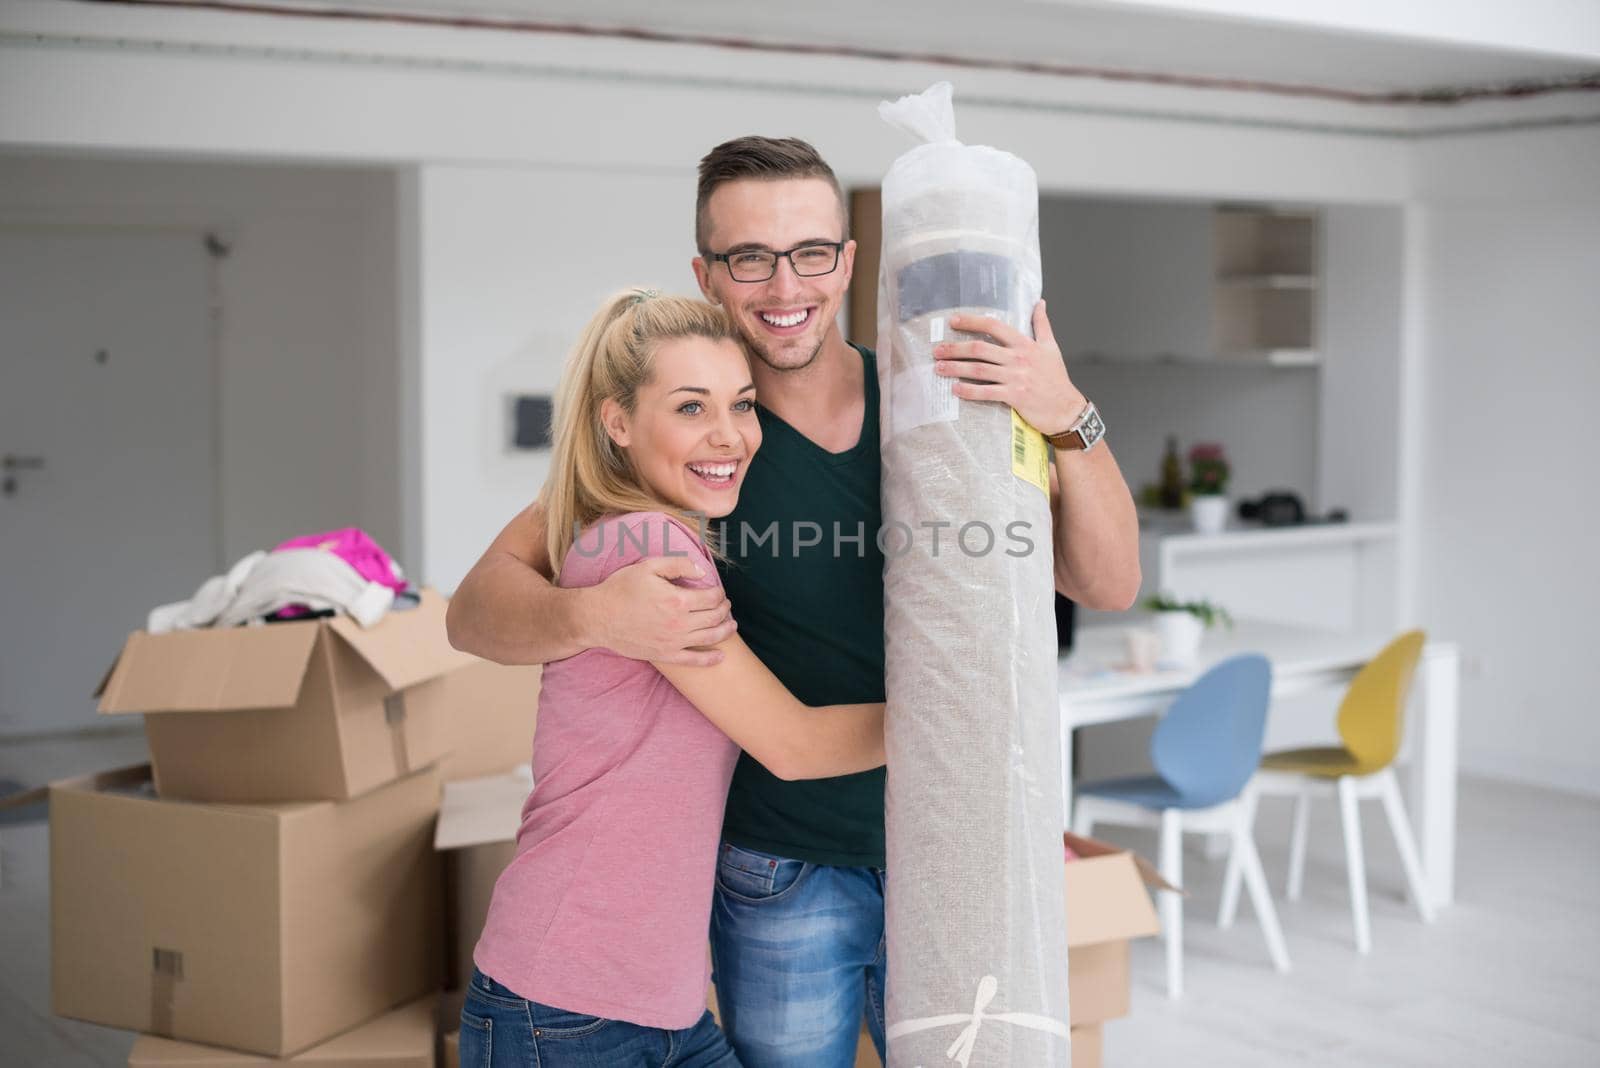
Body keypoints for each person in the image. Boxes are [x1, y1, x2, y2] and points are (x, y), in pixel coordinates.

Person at [447, 137, 1142, 1067]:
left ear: (849, 261)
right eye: (749, 258)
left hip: (951, 843)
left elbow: (1108, 583)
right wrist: (593, 616)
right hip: (775, 866)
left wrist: (1067, 416)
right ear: (706, 272)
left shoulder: (936, 402)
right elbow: (475, 609)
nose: (785, 286)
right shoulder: (689, 447)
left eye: (811, 252)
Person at [460, 289, 888, 1067]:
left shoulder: (647, 526)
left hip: (651, 1006)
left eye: (743, 406)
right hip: (566, 1007)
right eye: (691, 408)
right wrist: (967, 708)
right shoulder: (648, 546)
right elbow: (792, 744)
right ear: (617, 421)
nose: (729, 435)